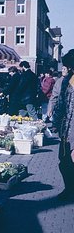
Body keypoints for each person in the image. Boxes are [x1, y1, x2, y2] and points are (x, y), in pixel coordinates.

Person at [52, 50, 74, 201]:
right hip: (66, 130)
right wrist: (56, 123)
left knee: (67, 162)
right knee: (64, 162)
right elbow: (61, 104)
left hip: (72, 131)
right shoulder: (67, 81)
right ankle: (69, 189)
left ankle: (69, 191)